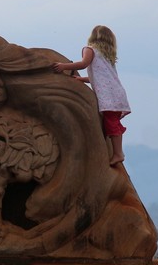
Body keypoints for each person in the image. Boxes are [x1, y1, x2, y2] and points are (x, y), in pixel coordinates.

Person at [52, 25, 131, 166]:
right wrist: (82, 80)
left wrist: (64, 66)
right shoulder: (107, 56)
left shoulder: (89, 49)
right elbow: (101, 78)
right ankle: (117, 152)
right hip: (116, 93)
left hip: (109, 95)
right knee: (113, 121)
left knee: (111, 122)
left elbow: (83, 64)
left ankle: (118, 153)